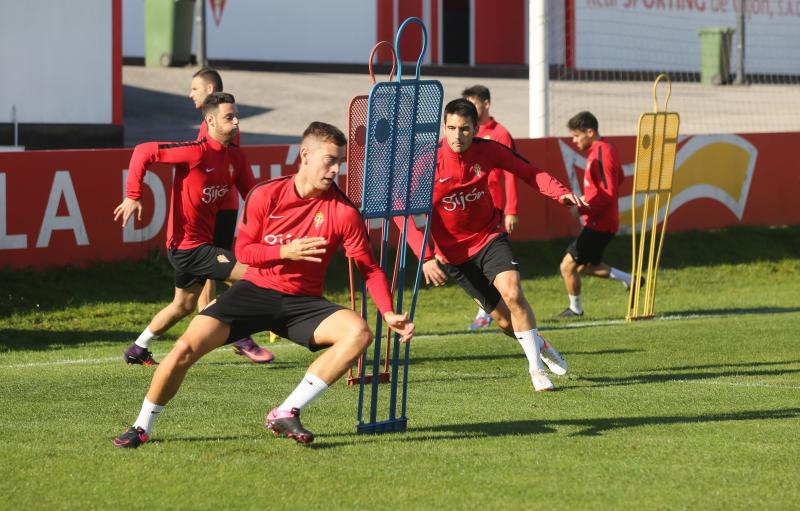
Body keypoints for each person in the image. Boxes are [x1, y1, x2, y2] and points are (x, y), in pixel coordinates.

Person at [112, 122, 414, 448]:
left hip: (301, 303)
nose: (336, 170)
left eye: (340, 162)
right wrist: (284, 251)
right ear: (306, 155)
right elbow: (243, 251)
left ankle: (286, 410)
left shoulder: (343, 212)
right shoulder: (266, 194)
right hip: (254, 292)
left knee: (359, 332)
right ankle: (141, 426)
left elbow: (369, 269)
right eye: (329, 160)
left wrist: (388, 311)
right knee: (183, 349)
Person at [400, 99, 587, 392]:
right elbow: (400, 208)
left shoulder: (488, 150)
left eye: (464, 129)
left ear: (476, 128)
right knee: (502, 322)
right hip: (453, 257)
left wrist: (560, 193)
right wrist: (424, 256)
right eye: (450, 128)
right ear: (444, 127)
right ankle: (540, 344)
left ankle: (536, 370)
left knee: (513, 292)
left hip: (489, 238)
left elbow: (529, 172)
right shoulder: (427, 161)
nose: (457, 135)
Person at [114, 92, 271, 366]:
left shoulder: (236, 157)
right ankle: (238, 334)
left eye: (237, 117)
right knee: (250, 276)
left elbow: (254, 197)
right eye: (229, 117)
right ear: (210, 120)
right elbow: (143, 151)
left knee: (183, 306)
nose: (236, 123)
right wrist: (133, 194)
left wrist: (278, 223)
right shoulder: (195, 152)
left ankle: (138, 348)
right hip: (187, 247)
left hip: (202, 246)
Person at [188, 68, 274, 362]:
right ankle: (230, 328)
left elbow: (232, 170)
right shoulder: (214, 121)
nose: (191, 94)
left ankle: (230, 328)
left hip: (219, 210)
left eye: (195, 89)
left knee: (214, 270)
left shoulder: (223, 124)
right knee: (209, 273)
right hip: (216, 208)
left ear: (209, 88)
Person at [559, 111, 632, 317]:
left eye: (576, 136)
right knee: (587, 267)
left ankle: (576, 309)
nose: (573, 141)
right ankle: (630, 280)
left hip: (600, 223)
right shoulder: (604, 149)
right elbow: (620, 178)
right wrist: (587, 196)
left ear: (589, 132)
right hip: (602, 221)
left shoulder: (602, 153)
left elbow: (608, 194)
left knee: (567, 266)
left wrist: (581, 207)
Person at [461, 85, 518, 331]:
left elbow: (511, 174)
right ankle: (490, 307)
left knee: (492, 260)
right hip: (470, 208)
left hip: (493, 208)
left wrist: (512, 208)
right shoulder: (465, 134)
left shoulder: (500, 134)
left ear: (486, 104)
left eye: (473, 102)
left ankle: (486, 310)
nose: (470, 107)